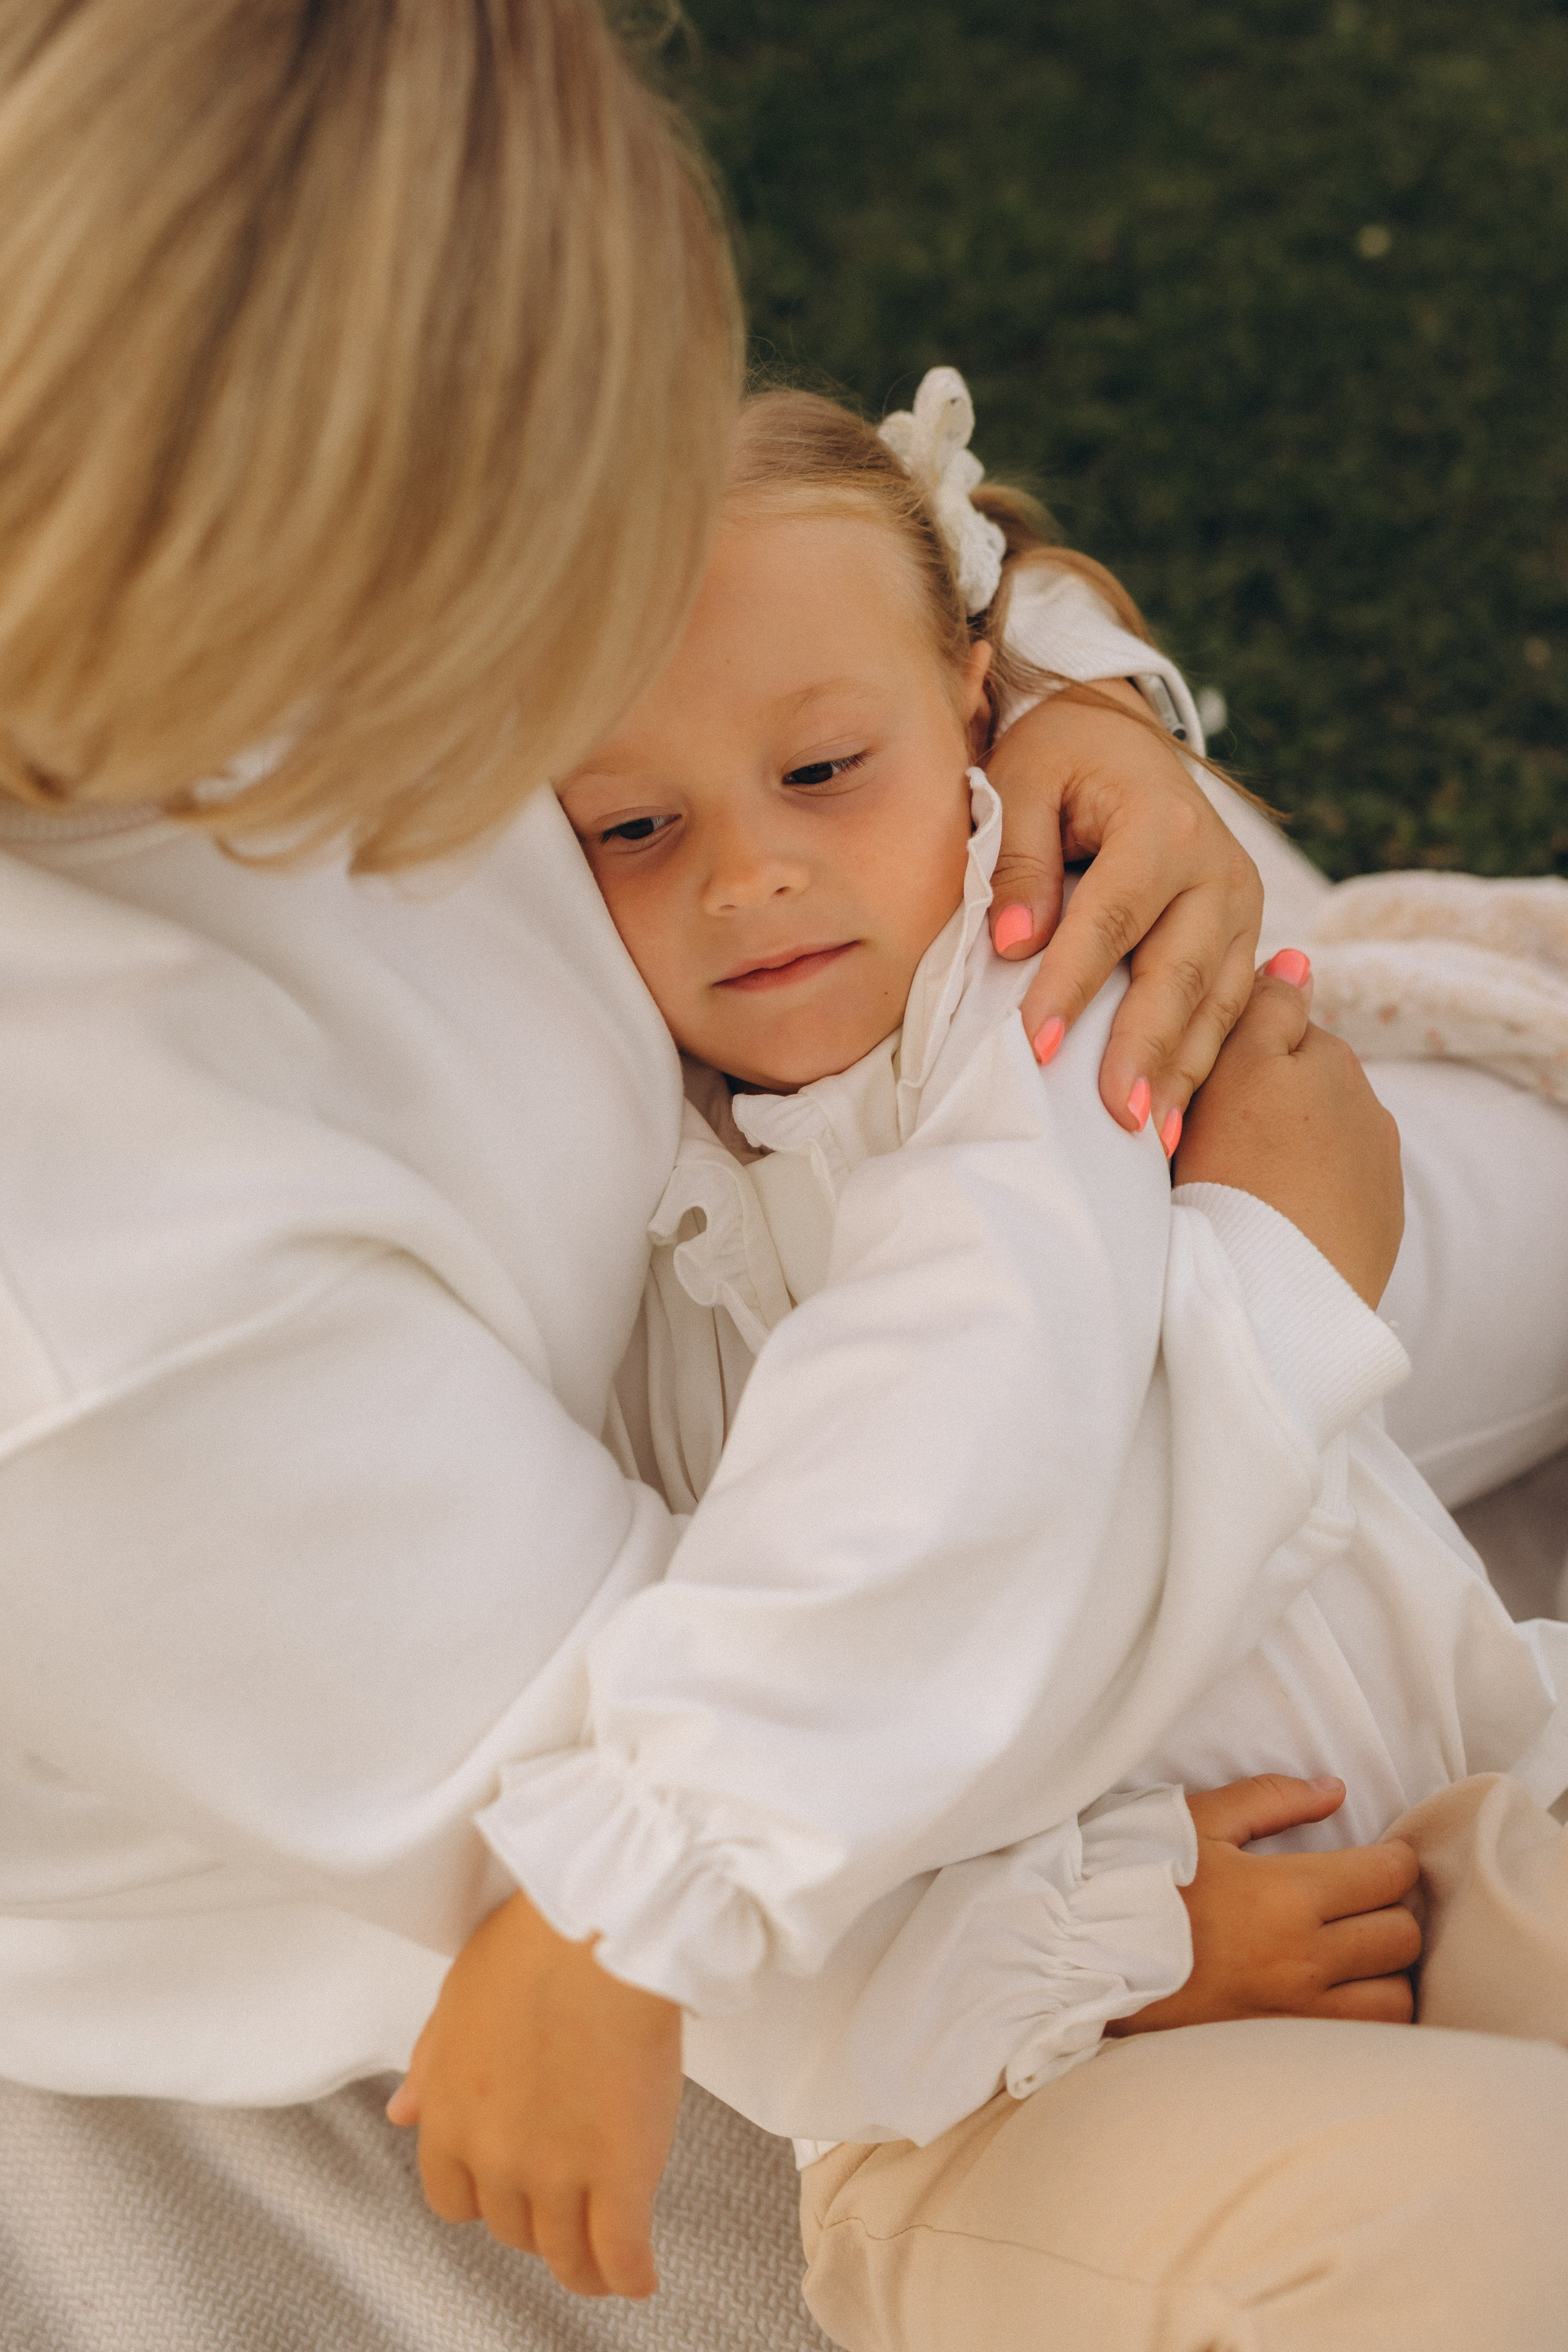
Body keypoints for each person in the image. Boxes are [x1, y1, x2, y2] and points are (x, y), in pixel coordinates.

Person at [1, 7, 1566, 2349]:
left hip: (949, 1231)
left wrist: (1065, 706)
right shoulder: (107, 1299)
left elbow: (833, 533)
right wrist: (1260, 1280)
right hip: (872, 1631)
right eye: (621, 813)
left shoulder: (255, 566)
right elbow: (752, 1787)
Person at [387, 380, 1568, 2347]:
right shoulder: (626, 1232)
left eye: (827, 772)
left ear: (974, 722)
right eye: (636, 828)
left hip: (1439, 1808)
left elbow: (1002, 1374)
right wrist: (1106, 1942)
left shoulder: (1037, 993)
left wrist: (1087, 691)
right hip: (1014, 2087)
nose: (748, 877)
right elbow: (702, 1742)